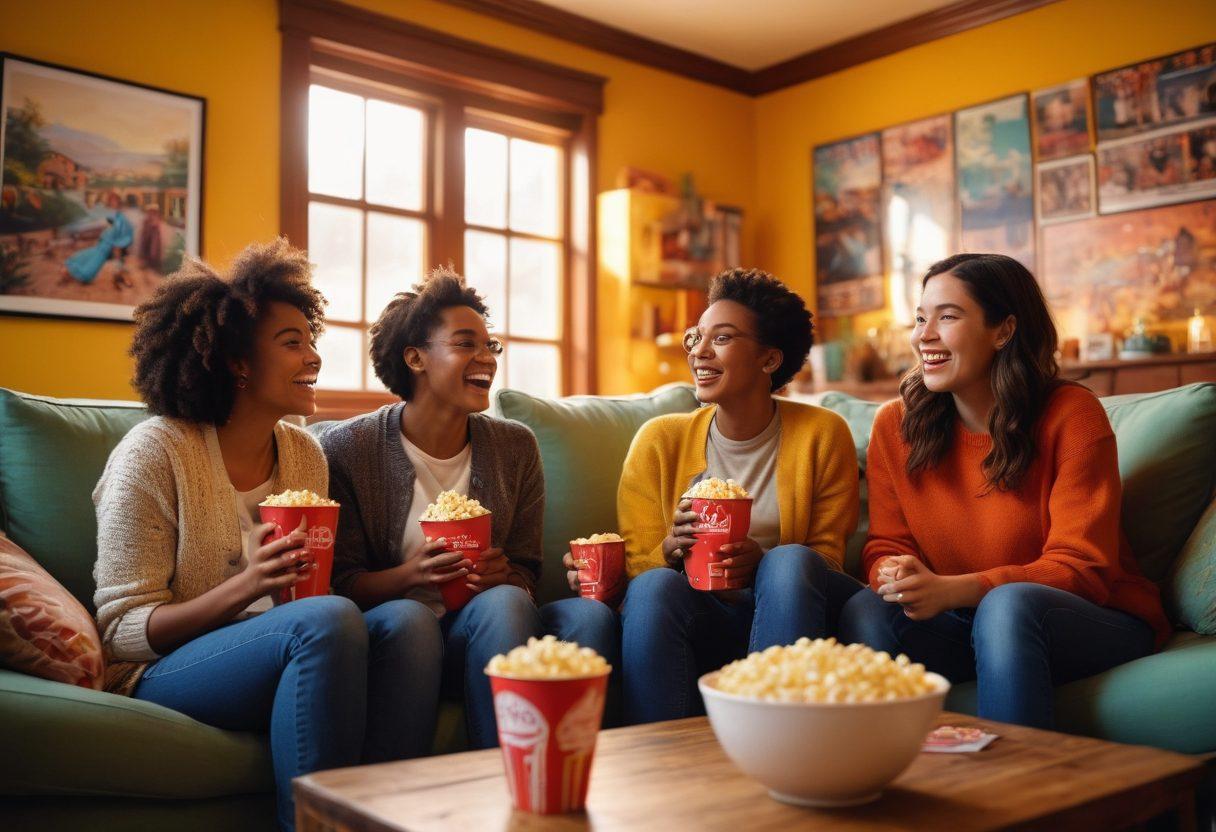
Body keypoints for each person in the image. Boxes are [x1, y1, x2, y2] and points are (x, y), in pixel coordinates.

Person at [93, 240, 429, 831]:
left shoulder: (304, 453)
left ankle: (382, 818)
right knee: (325, 620)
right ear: (237, 362)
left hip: (289, 644)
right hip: (163, 669)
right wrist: (248, 584)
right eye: (292, 343)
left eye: (312, 340)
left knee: (408, 623)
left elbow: (314, 597)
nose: (314, 358)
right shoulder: (154, 454)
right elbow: (120, 633)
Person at [838, 252, 1170, 730]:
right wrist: (895, 573)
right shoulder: (896, 425)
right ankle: (891, 777)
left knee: (1008, 605)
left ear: (1003, 330)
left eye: (947, 316)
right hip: (967, 622)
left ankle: (1019, 793)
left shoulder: (1072, 416)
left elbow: (1083, 568)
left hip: (1092, 618)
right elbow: (887, 544)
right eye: (920, 318)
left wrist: (957, 590)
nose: (922, 335)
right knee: (867, 609)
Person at [319, 267, 618, 750]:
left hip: (483, 628)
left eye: (490, 346)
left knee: (554, 611)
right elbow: (340, 583)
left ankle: (527, 783)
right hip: (397, 633)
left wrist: (507, 577)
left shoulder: (514, 446)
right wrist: (411, 576)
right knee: (412, 620)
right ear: (415, 357)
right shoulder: (351, 449)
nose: (487, 358)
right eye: (466, 344)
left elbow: (524, 568)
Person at [615, 267, 861, 725]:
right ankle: (657, 759)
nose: (700, 353)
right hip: (702, 615)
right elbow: (637, 566)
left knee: (789, 562)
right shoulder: (659, 442)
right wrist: (670, 550)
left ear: (769, 360)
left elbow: (826, 561)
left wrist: (762, 561)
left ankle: (773, 740)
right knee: (652, 585)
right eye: (696, 338)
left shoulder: (822, 435)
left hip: (795, 608)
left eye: (722, 339)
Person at [62, 191, 133, 288]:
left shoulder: (121, 218)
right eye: (110, 200)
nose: (112, 202)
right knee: (78, 259)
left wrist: (117, 246)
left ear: (118, 202)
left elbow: (123, 235)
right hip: (100, 246)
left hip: (105, 249)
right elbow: (100, 228)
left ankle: (120, 276)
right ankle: (68, 277)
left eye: (114, 200)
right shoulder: (109, 215)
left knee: (87, 270)